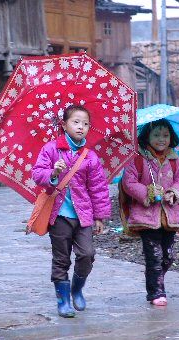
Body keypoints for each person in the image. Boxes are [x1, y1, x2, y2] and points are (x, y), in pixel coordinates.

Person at [32, 105, 111, 318]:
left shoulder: (90, 157)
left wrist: (99, 216)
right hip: (59, 215)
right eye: (76, 122)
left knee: (87, 254)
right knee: (61, 259)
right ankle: (63, 300)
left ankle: (77, 289)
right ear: (64, 124)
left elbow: (98, 188)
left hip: (83, 215)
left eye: (85, 124)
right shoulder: (51, 149)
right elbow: (37, 174)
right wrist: (53, 172)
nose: (81, 127)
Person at [121, 119, 179, 306]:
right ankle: (156, 292)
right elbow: (129, 182)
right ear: (147, 137)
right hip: (146, 217)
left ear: (171, 137)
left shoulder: (174, 160)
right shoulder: (138, 159)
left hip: (169, 215)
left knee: (168, 256)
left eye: (166, 135)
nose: (162, 139)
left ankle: (154, 275)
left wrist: (173, 193)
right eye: (157, 135)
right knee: (154, 256)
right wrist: (148, 192)